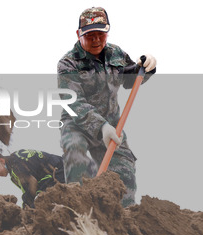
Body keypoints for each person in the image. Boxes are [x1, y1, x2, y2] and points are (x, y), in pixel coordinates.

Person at [57, 7, 156, 207]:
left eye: (100, 35)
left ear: (107, 33)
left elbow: (131, 79)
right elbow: (74, 102)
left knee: (125, 169)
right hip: (77, 125)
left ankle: (125, 217)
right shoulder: (68, 64)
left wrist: (147, 68)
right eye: (90, 35)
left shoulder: (116, 54)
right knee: (75, 151)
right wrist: (101, 126)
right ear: (79, 34)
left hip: (113, 126)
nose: (96, 40)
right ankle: (75, 210)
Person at [0, 149, 65, 208]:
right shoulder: (15, 160)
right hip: (55, 170)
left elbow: (33, 183)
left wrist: (29, 207)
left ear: (2, 161)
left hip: (58, 171)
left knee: (38, 205)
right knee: (31, 203)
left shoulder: (16, 164)